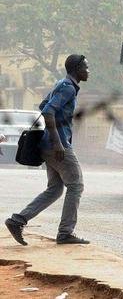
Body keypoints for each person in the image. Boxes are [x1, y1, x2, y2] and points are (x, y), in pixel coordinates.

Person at [5, 55, 90, 246]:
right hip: (57, 147)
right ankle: (65, 233)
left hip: (47, 145)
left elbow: (44, 105)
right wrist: (58, 142)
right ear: (76, 69)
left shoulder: (62, 84)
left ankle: (17, 220)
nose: (88, 71)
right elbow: (48, 111)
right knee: (76, 186)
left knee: (55, 189)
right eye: (86, 67)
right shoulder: (67, 87)